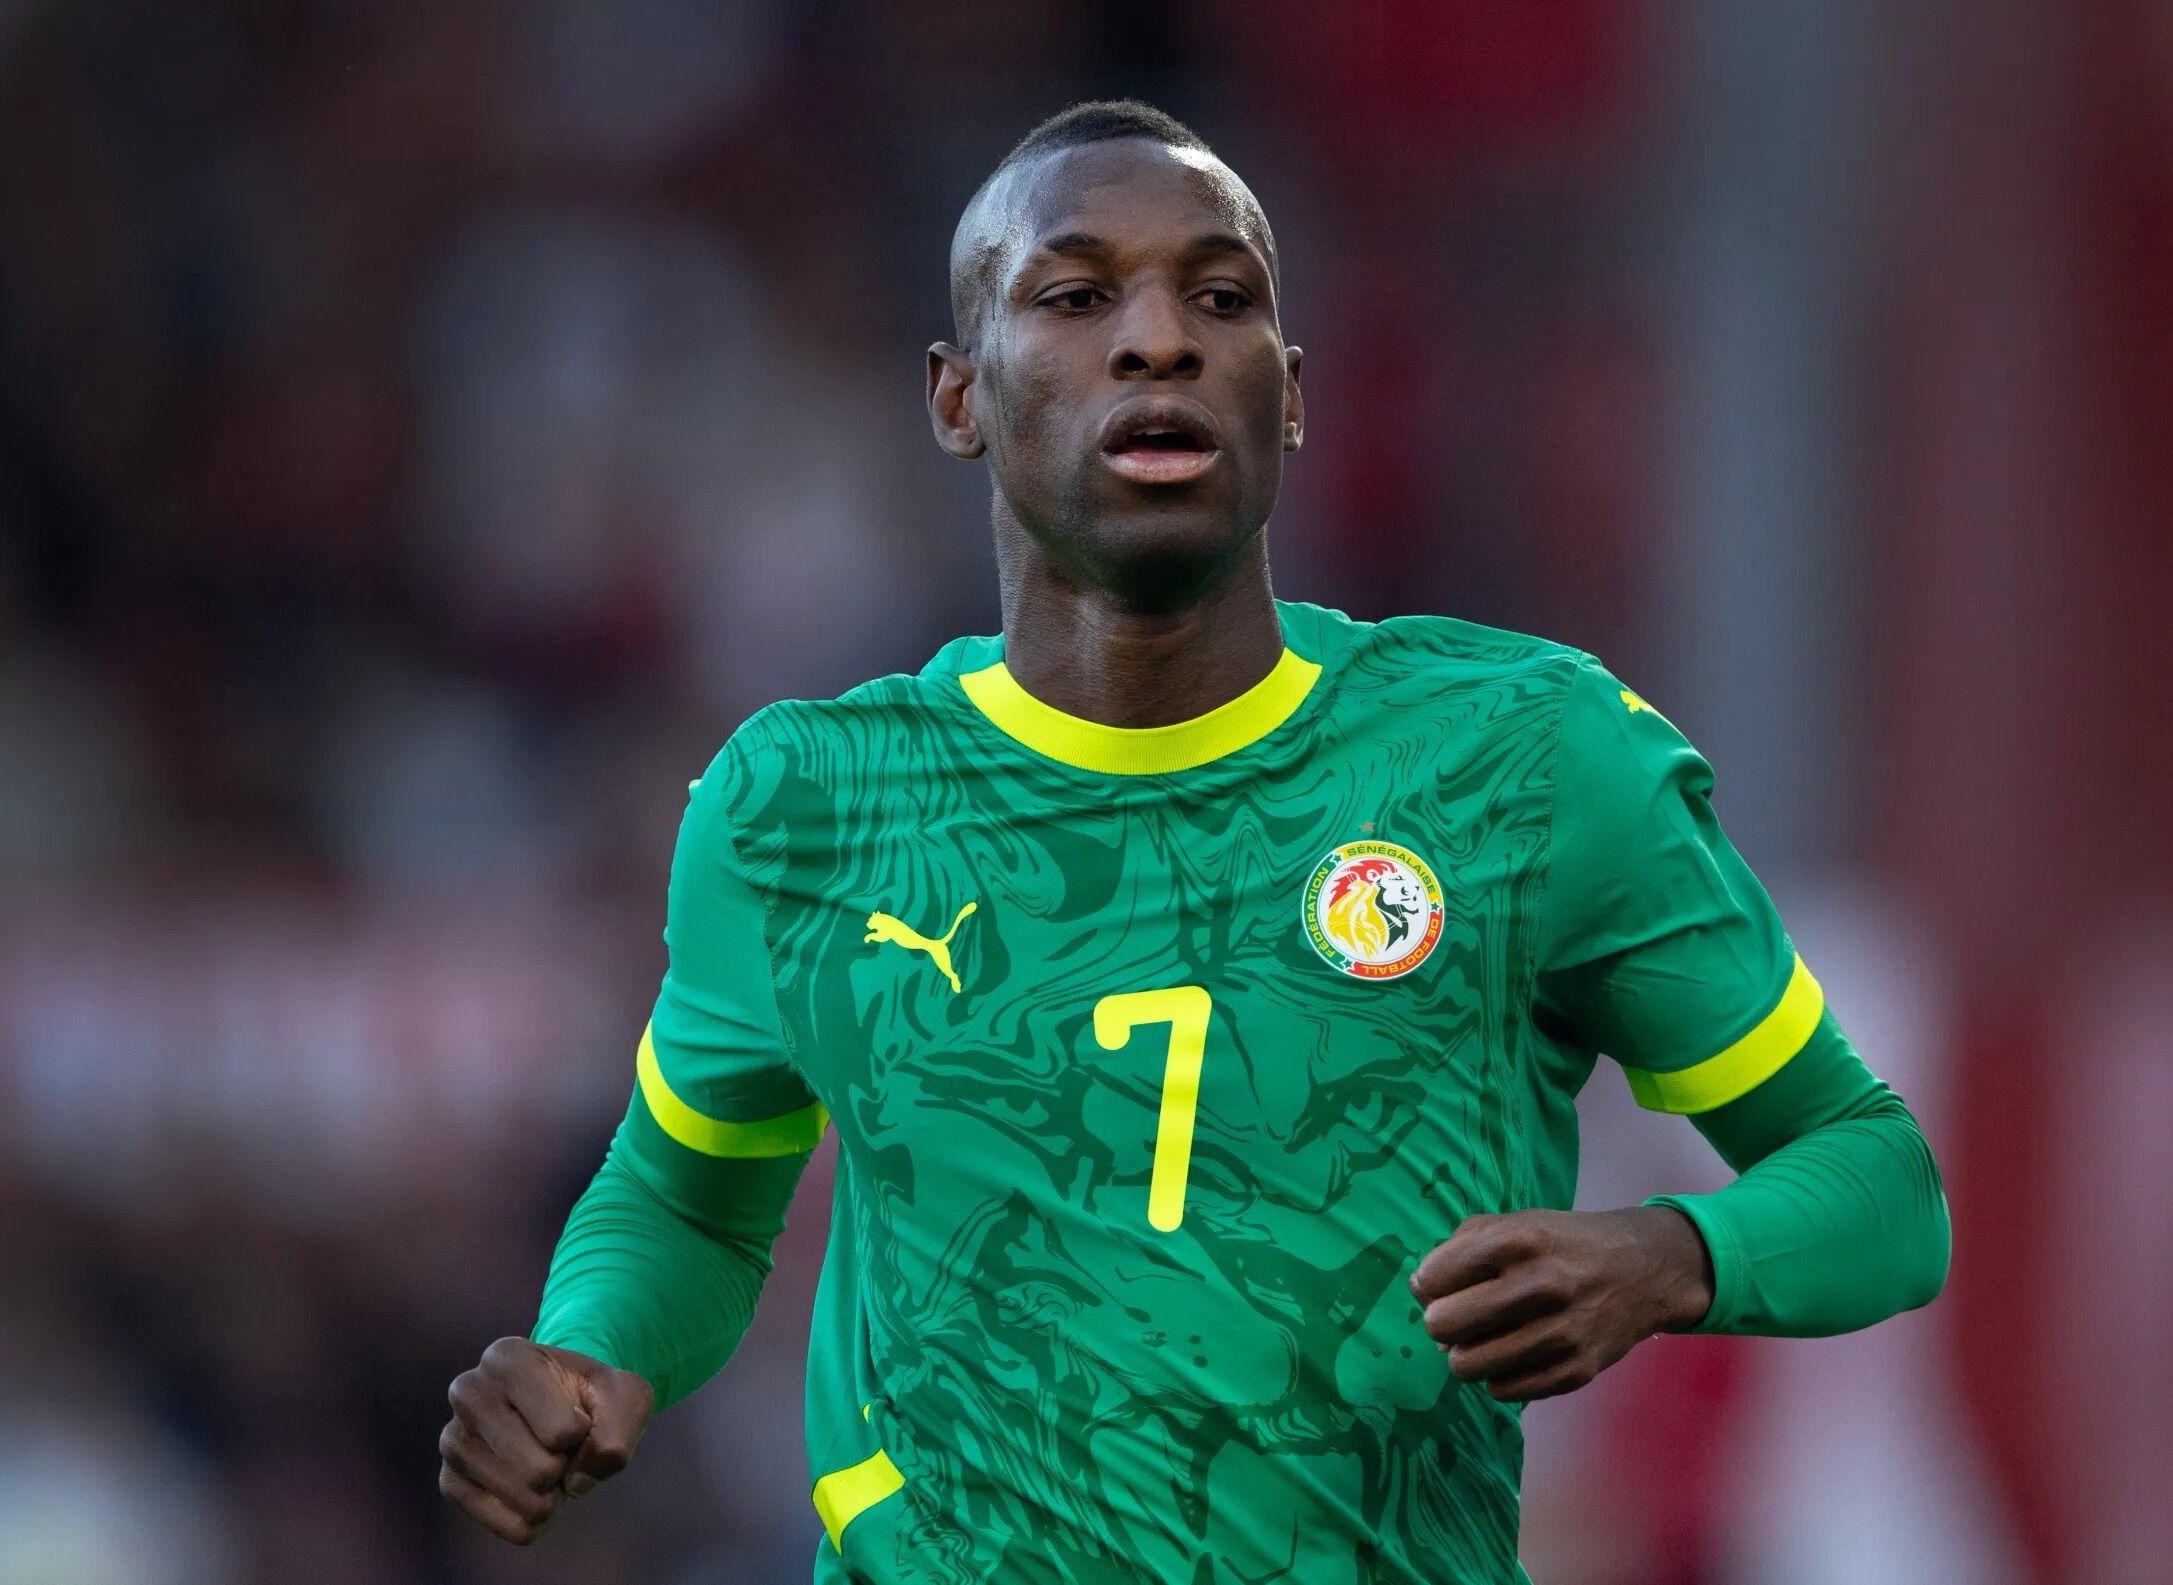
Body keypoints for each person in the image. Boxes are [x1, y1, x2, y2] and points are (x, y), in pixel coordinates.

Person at [436, 99, 1950, 1584]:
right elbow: (687, 1198)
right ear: (959, 399)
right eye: (1077, 296)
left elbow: (1881, 1183)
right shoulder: (804, 803)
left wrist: (1667, 1259)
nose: (1158, 339)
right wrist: (591, 1352)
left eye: (1220, 298)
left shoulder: (1527, 756)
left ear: (1287, 395)